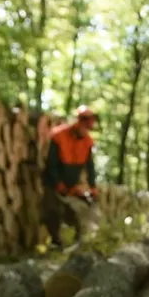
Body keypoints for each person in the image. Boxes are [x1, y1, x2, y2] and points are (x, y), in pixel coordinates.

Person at [41, 105, 100, 247]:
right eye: (84, 125)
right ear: (78, 122)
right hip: (54, 181)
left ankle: (80, 240)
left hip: (72, 183)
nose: (86, 130)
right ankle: (55, 241)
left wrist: (92, 186)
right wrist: (57, 183)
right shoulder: (59, 136)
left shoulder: (87, 142)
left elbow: (90, 166)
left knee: (83, 208)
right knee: (52, 209)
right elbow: (51, 163)